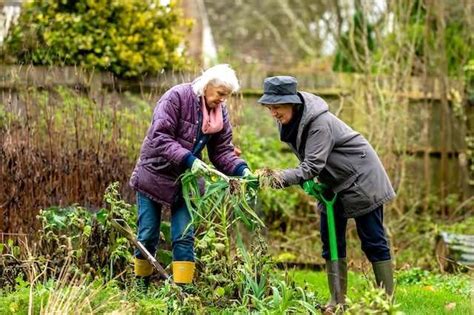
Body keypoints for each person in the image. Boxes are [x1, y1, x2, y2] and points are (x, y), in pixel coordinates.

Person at [256, 76, 395, 308]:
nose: (273, 113)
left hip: (362, 177)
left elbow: (311, 166)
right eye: (270, 107)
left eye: (277, 107)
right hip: (333, 183)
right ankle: (337, 301)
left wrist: (276, 177)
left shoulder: (320, 123)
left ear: (293, 103)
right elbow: (310, 162)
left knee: (373, 240)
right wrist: (308, 181)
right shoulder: (289, 122)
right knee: (330, 242)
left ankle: (385, 303)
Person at [129, 64, 252, 288]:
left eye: (226, 97)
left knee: (184, 237)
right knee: (147, 234)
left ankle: (182, 293)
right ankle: (141, 287)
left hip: (186, 180)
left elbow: (222, 151)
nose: (222, 101)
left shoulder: (218, 112)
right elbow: (160, 136)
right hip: (154, 172)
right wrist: (190, 159)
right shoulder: (176, 97)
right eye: (220, 94)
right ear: (206, 86)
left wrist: (242, 170)